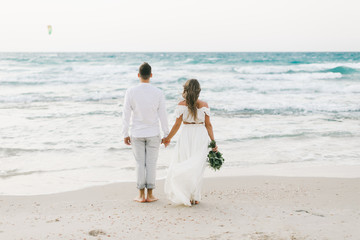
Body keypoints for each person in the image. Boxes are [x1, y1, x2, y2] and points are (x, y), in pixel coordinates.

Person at [163, 79, 218, 206]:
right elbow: (209, 125)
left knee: (185, 161)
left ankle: (186, 194)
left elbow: (177, 125)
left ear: (185, 90)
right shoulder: (204, 105)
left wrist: (168, 138)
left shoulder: (182, 105)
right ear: (198, 91)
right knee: (198, 166)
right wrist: (213, 142)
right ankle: (195, 196)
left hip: (186, 134)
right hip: (200, 134)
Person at [122, 62, 169, 203]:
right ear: (151, 75)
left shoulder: (131, 92)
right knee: (151, 164)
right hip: (153, 133)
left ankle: (141, 195)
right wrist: (166, 134)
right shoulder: (158, 92)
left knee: (140, 164)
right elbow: (163, 115)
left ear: (138, 75)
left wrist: (125, 133)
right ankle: (151, 194)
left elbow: (126, 114)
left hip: (137, 133)